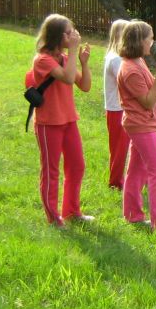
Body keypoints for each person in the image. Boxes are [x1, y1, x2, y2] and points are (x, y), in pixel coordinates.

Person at [27, 14, 93, 226]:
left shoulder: (64, 58)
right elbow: (67, 78)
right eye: (68, 33)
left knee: (77, 166)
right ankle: (53, 218)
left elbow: (85, 86)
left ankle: (72, 211)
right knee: (51, 171)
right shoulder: (42, 60)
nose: (73, 36)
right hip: (49, 123)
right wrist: (73, 51)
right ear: (56, 36)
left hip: (69, 120)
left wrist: (83, 63)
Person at [117, 20, 156, 238]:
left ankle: (132, 214)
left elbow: (147, 91)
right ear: (139, 41)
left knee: (137, 170)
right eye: (150, 38)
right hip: (141, 126)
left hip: (141, 123)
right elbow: (147, 101)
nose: (152, 42)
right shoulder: (130, 70)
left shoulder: (138, 61)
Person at [103, 19, 130, 190]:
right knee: (120, 148)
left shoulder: (115, 57)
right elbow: (127, 82)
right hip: (118, 109)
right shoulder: (116, 59)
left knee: (122, 146)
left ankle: (123, 178)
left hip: (117, 108)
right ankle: (116, 182)